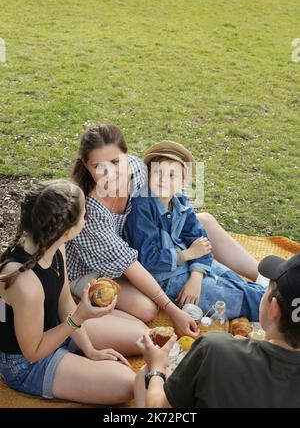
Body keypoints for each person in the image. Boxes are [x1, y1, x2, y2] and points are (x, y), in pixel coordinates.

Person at [66, 124, 264, 334]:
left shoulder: (137, 171)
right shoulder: (90, 212)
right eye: (99, 166)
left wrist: (196, 269)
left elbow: (174, 197)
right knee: (147, 308)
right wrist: (172, 309)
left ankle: (264, 277)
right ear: (87, 166)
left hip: (135, 246)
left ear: (127, 155)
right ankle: (76, 316)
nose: (111, 174)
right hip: (91, 268)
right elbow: (132, 263)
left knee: (203, 221)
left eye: (116, 162)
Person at [0, 180, 148, 405]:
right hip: (27, 362)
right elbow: (33, 351)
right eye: (83, 217)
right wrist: (79, 318)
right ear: (68, 230)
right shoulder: (25, 283)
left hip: (57, 328)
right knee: (128, 384)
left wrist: (90, 350)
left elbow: (65, 301)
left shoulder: (54, 243)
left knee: (142, 336)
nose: (86, 220)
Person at [134, 252, 300, 408]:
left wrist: (157, 367)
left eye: (267, 290)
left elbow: (159, 406)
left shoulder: (214, 348)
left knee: (146, 373)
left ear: (274, 309)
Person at [124, 141, 265, 320]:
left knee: (236, 282)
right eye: (158, 172)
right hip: (164, 277)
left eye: (172, 175)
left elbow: (201, 241)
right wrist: (188, 254)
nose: (163, 179)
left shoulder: (180, 202)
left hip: (192, 266)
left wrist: (197, 276)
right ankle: (282, 311)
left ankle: (277, 296)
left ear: (182, 182)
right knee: (236, 298)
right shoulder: (141, 208)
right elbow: (147, 259)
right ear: (149, 175)